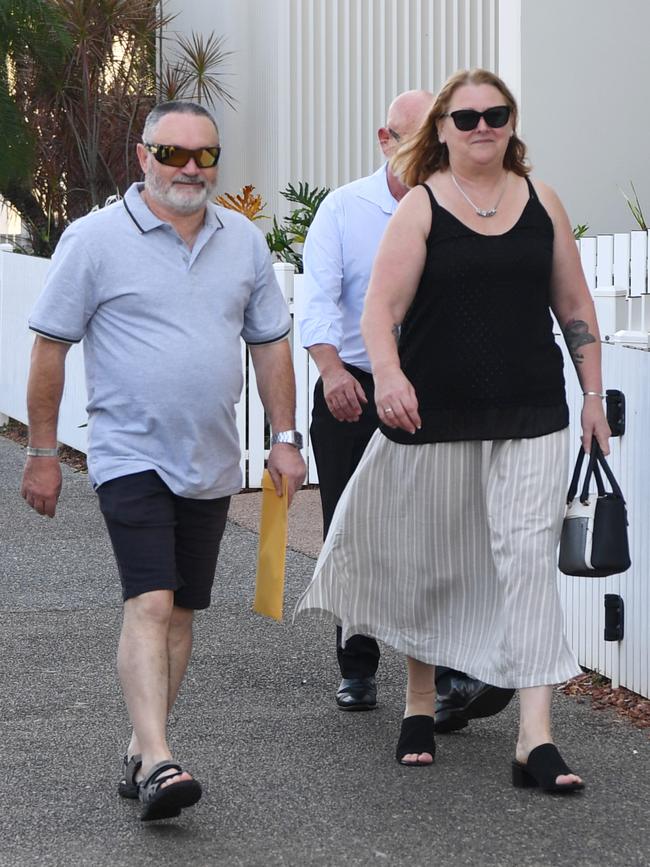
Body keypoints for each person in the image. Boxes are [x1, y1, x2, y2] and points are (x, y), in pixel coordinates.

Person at [296, 69, 610, 793]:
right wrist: (390, 375)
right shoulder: (422, 207)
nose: (481, 127)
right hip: (433, 416)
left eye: (494, 114)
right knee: (430, 563)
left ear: (511, 122)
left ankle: (536, 738)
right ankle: (416, 699)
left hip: (533, 412)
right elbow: (379, 309)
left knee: (526, 561)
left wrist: (593, 395)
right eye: (465, 117)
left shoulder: (543, 203)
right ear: (441, 129)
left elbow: (576, 307)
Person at [20, 101, 306, 821]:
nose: (188, 168)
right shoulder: (94, 240)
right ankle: (161, 759)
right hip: (129, 451)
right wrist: (43, 451)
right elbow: (50, 346)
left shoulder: (241, 242)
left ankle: (143, 749)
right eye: (173, 153)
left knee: (180, 612)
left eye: (204, 156)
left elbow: (271, 343)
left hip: (208, 459)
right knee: (148, 601)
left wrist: (285, 437)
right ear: (143, 156)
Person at [300, 89, 514, 730]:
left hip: (436, 393)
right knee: (353, 525)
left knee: (439, 529)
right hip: (355, 388)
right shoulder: (343, 209)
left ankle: (450, 672)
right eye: (413, 137)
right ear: (384, 139)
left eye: (436, 135)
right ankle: (358, 665)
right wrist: (332, 370)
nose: (429, 150)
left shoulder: (460, 207)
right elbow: (317, 300)